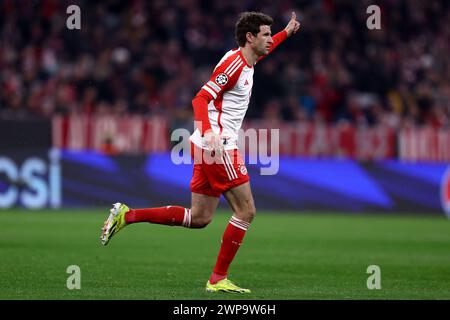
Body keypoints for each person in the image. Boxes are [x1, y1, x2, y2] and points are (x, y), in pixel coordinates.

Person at [100, 11, 301, 293]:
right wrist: (209, 132)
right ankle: (218, 278)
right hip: (217, 145)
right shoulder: (233, 66)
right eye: (266, 35)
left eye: (270, 35)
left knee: (200, 218)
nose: (270, 39)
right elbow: (201, 98)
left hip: (206, 144)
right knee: (246, 211)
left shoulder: (247, 59)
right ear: (250, 37)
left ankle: (127, 215)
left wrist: (286, 33)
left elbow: (264, 51)